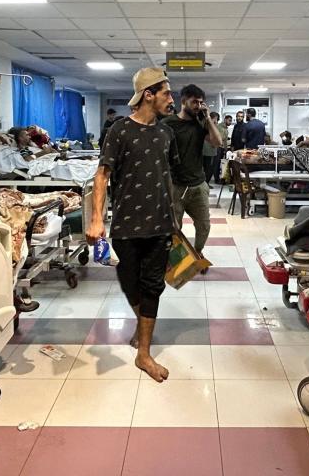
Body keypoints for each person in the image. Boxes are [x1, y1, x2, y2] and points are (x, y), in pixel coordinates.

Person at [87, 67, 178, 383]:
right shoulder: (119, 131)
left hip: (161, 224)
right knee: (129, 282)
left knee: (153, 285)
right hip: (126, 224)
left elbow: (167, 176)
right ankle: (143, 329)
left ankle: (144, 353)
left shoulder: (167, 133)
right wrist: (97, 219)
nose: (172, 99)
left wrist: (176, 218)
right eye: (166, 92)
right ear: (148, 94)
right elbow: (102, 175)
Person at [162, 85, 222, 253]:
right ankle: (179, 259)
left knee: (204, 225)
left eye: (201, 102)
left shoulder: (200, 124)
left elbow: (218, 143)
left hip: (198, 186)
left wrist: (208, 119)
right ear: (183, 101)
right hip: (176, 186)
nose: (198, 106)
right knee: (174, 227)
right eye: (194, 102)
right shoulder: (168, 123)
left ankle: (197, 253)